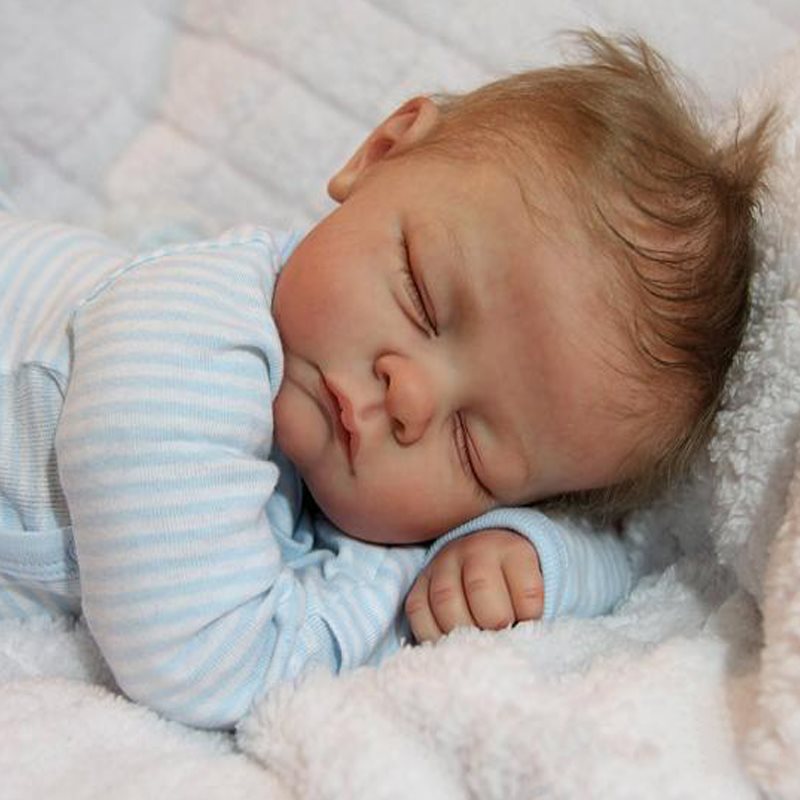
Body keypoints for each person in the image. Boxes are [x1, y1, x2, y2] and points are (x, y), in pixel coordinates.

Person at [0, 32, 772, 729]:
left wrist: (522, 551)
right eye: (422, 297)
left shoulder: (349, 482)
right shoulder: (186, 335)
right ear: (379, 154)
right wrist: (404, 584)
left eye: (472, 448)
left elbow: (620, 552)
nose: (412, 397)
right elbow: (211, 663)